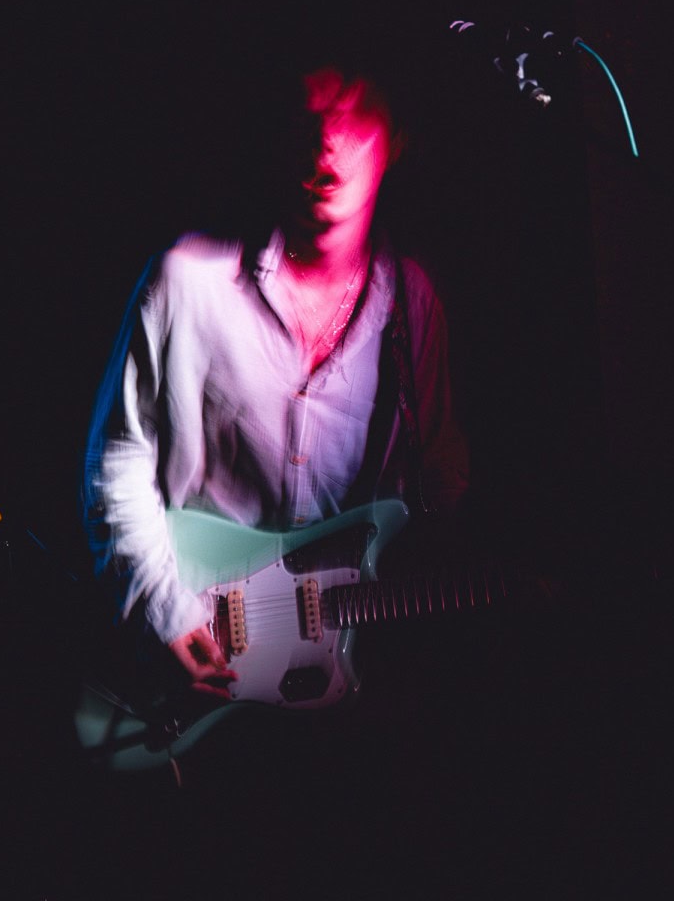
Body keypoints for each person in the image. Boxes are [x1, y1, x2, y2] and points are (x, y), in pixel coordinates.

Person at [81, 64, 469, 728]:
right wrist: (165, 612)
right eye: (311, 115)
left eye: (353, 114)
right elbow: (115, 464)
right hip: (192, 676)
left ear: (396, 139)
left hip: (346, 690)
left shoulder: (413, 304)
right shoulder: (189, 279)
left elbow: (435, 480)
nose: (327, 141)